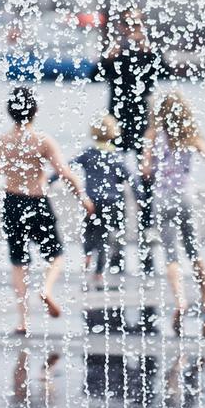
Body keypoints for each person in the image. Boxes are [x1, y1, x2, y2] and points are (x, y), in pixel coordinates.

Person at [0, 86, 93, 335]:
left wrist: (5, 169)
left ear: (10, 112)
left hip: (11, 203)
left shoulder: (3, 140)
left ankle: (23, 321)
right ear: (35, 111)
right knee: (56, 254)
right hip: (37, 202)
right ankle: (46, 288)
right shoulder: (42, 141)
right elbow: (65, 173)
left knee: (18, 261)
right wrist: (82, 197)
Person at [141, 91, 205, 337]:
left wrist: (153, 166)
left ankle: (180, 302)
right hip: (185, 198)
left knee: (170, 254)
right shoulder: (191, 137)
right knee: (193, 250)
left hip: (162, 199)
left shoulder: (153, 136)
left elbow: (145, 171)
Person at [95, 9, 163, 275]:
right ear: (120, 26)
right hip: (116, 125)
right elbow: (96, 74)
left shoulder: (148, 53)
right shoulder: (117, 51)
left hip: (143, 125)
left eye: (136, 23)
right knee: (116, 184)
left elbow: (161, 75)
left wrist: (147, 49)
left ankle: (147, 238)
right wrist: (110, 53)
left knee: (145, 183)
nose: (132, 28)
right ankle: (117, 241)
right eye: (127, 23)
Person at [71, 114, 132, 288]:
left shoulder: (88, 154)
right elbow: (132, 179)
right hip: (112, 202)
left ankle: (87, 255)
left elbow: (66, 167)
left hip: (91, 201)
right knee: (103, 236)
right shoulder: (116, 156)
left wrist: (49, 181)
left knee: (88, 232)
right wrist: (141, 198)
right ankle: (98, 272)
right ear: (114, 133)